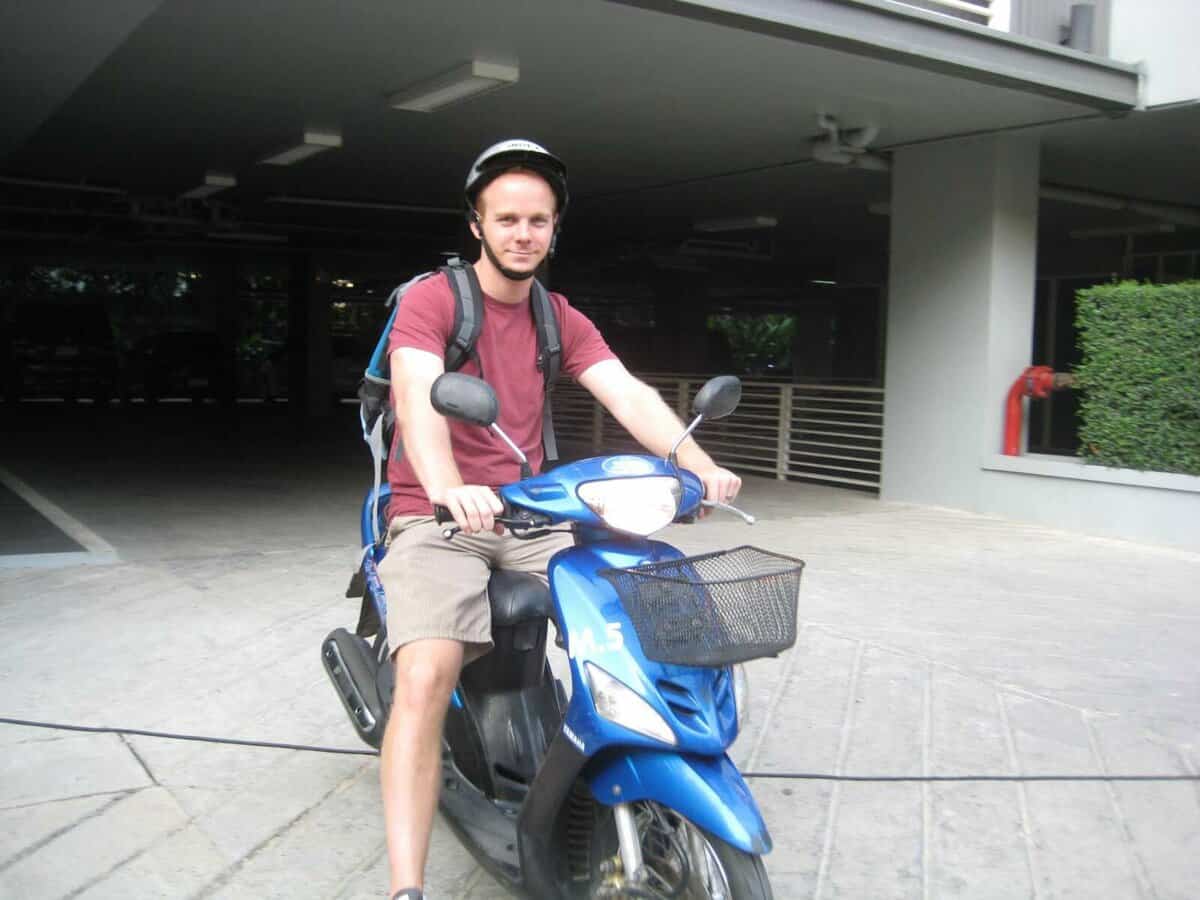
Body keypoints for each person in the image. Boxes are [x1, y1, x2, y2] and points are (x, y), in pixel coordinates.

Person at [377, 139, 741, 900]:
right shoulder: (434, 301)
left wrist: (694, 461)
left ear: (553, 230)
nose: (522, 234)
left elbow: (626, 391)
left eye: (537, 221)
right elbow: (417, 395)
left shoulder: (559, 316)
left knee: (642, 612)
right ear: (477, 225)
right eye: (506, 219)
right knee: (426, 672)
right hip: (436, 516)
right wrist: (447, 486)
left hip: (528, 515)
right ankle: (404, 885)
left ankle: (611, 757)